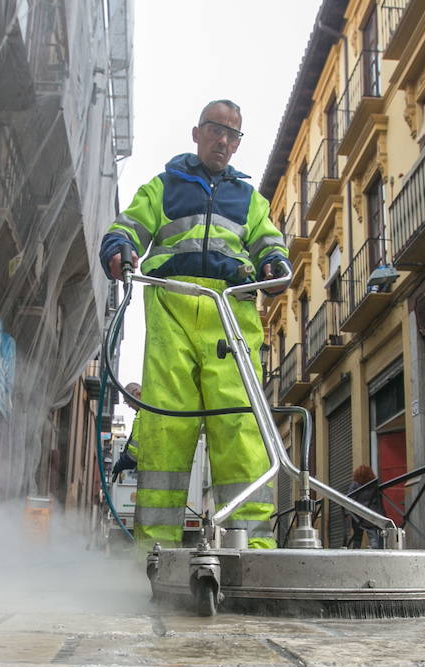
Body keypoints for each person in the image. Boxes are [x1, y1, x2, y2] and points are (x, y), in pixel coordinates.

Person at [99, 99, 290, 549]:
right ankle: (155, 550)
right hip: (172, 307)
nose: (224, 140)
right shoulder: (164, 187)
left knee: (239, 427)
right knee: (168, 424)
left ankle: (253, 549)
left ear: (238, 144)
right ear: (197, 133)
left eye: (233, 135)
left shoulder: (250, 199)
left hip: (231, 310)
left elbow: (269, 241)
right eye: (215, 129)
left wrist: (274, 263)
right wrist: (119, 245)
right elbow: (130, 225)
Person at [346, 464, 384, 549]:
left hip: (358, 516)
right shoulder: (375, 484)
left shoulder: (355, 485)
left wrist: (348, 513)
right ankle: (377, 551)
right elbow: (379, 500)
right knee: (373, 536)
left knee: (357, 537)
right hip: (372, 515)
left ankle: (356, 552)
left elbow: (349, 499)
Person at [111, 383, 142, 481]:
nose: (128, 406)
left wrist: (121, 463)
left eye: (128, 401)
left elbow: (135, 453)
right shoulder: (150, 411)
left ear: (138, 394)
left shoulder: (142, 416)